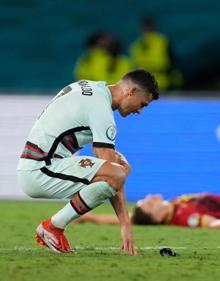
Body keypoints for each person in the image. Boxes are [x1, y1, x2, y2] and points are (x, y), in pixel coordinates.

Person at [17, 69, 159, 255]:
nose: (140, 111)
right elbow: (113, 173)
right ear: (131, 91)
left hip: (37, 162)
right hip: (41, 169)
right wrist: (125, 225)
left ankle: (53, 227)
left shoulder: (89, 87)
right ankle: (52, 227)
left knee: (115, 169)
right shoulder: (101, 109)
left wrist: (115, 160)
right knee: (117, 173)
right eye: (142, 104)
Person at [76, 193, 220, 228]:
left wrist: (88, 217)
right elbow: (213, 224)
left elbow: (125, 218)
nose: (150, 197)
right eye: (149, 204)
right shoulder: (185, 217)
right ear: (157, 218)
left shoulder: (173, 206)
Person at [129, 17, 183, 90]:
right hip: (153, 85)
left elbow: (172, 63)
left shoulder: (162, 41)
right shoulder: (137, 46)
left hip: (154, 85)